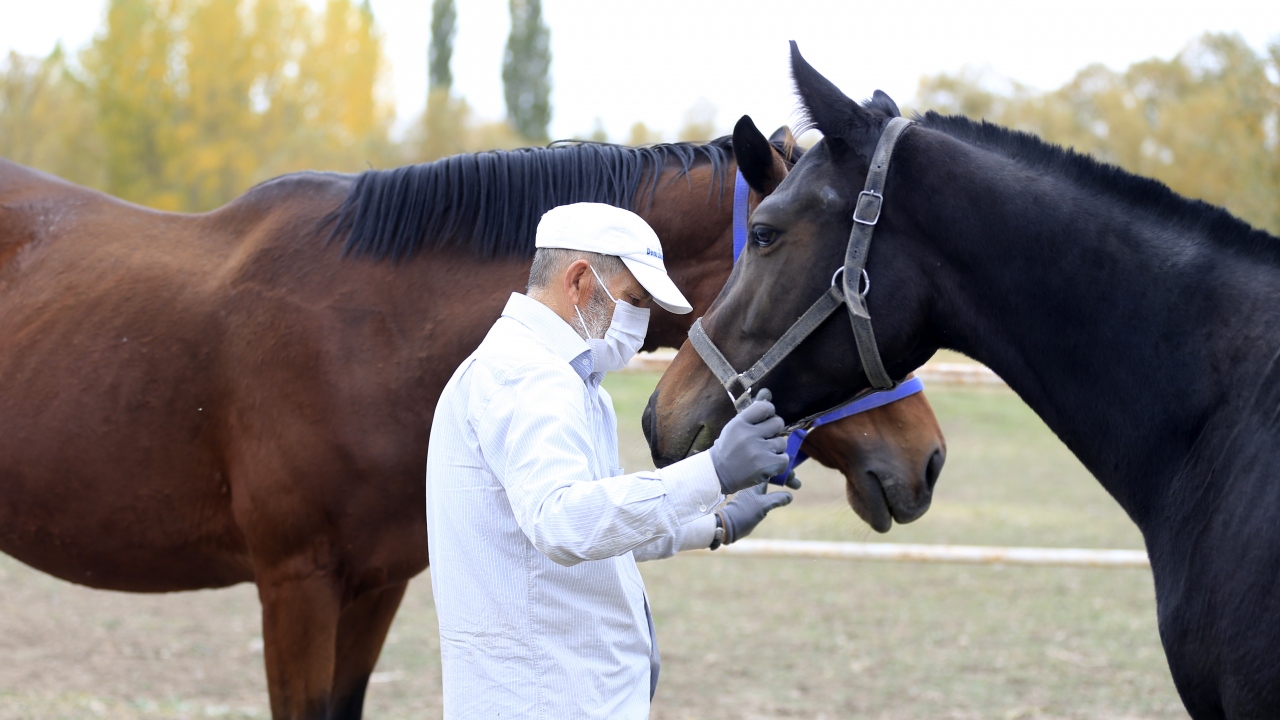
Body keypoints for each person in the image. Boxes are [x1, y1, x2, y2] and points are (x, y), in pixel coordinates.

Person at [426, 202, 795, 719]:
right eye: (633, 300)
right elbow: (564, 521)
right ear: (579, 281)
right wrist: (712, 472)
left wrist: (716, 522)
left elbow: (600, 527)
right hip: (548, 700)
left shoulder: (560, 378)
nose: (639, 323)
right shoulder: (532, 378)